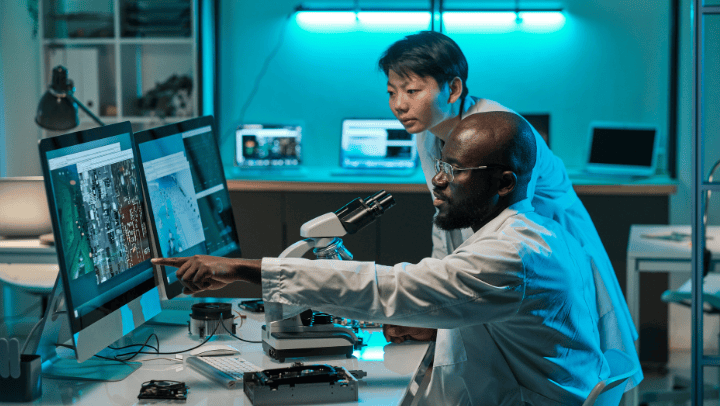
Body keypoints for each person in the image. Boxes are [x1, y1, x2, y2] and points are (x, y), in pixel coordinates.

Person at [154, 112, 610, 405]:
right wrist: (435, 324)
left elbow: (389, 287)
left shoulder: (514, 252)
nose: (437, 181)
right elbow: (500, 316)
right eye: (440, 166)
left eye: (453, 172)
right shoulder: (525, 229)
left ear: (505, 183)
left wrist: (239, 269)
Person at [377, 31, 641, 388]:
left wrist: (438, 307)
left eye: (411, 91)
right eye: (392, 91)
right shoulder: (429, 135)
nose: (399, 104)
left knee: (569, 371)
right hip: (512, 262)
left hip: (550, 251)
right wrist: (433, 299)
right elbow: (447, 218)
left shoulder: (499, 129)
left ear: (453, 90)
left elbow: (505, 232)